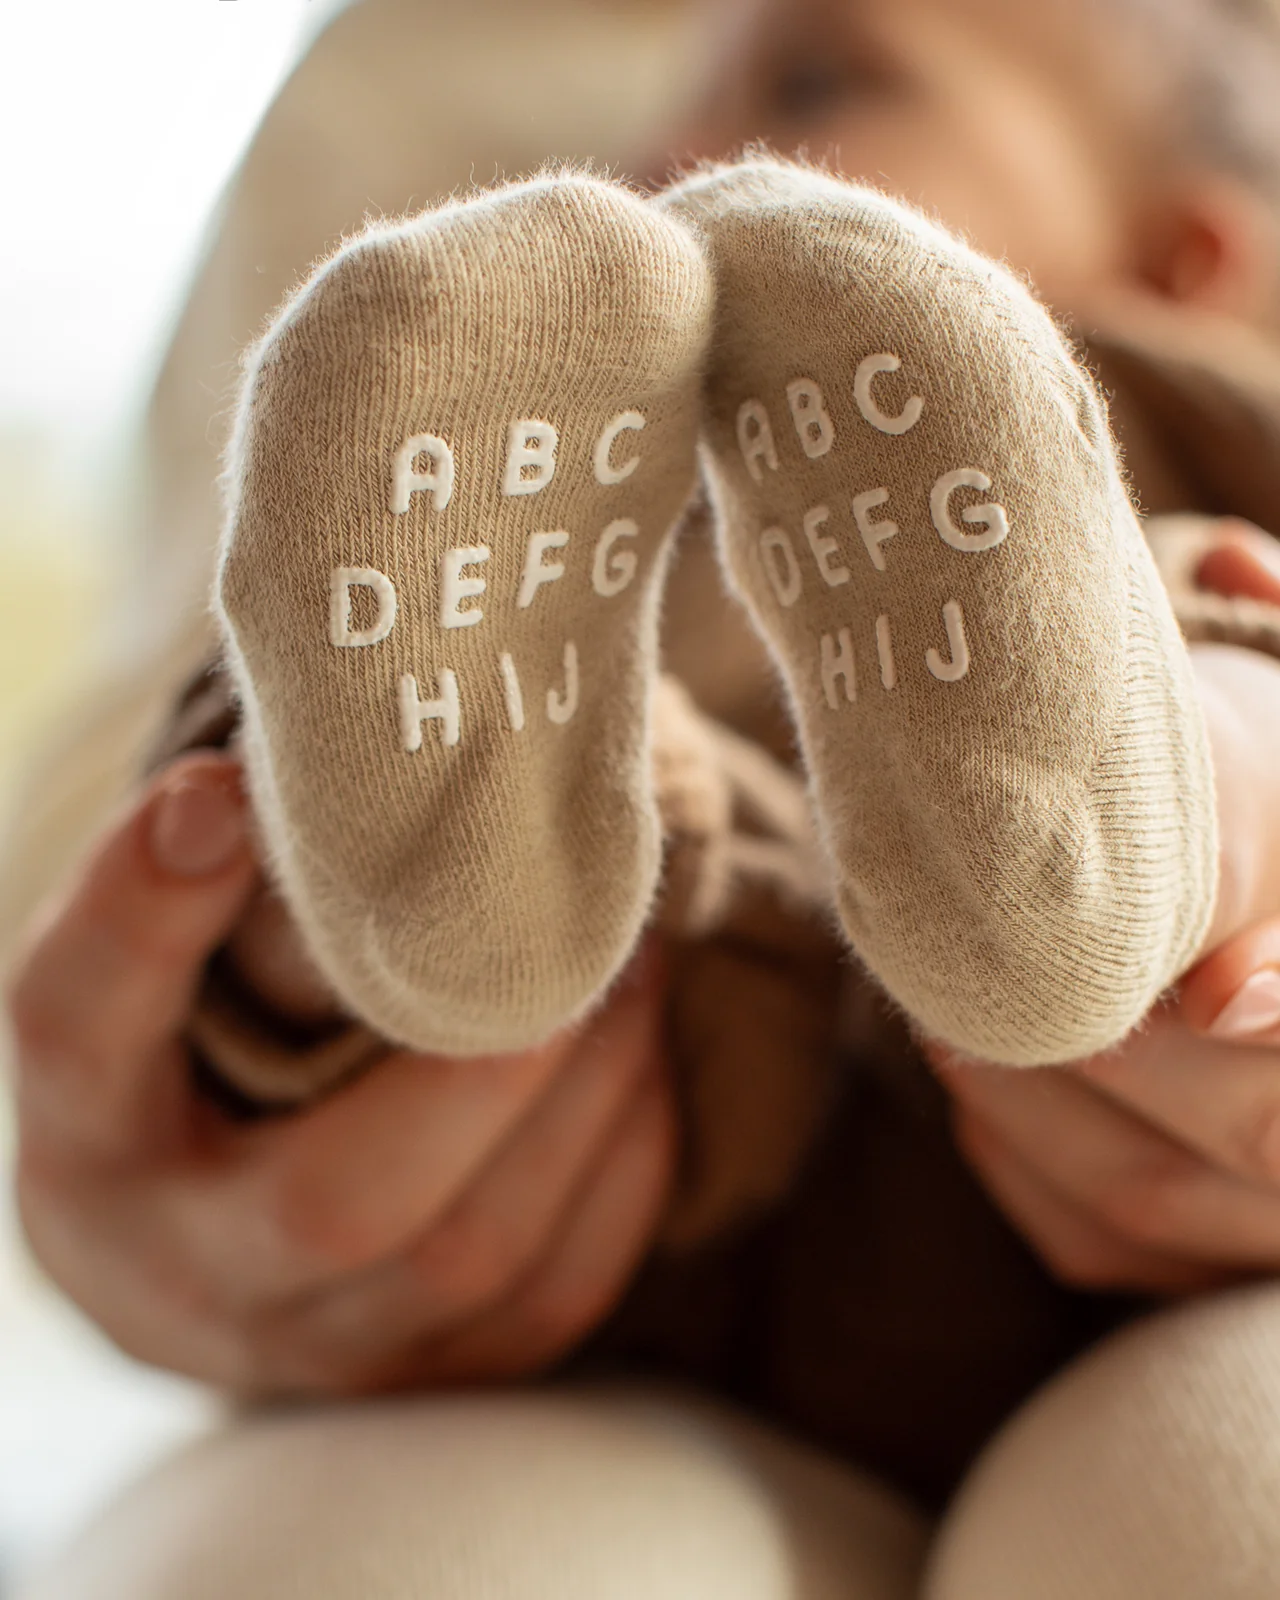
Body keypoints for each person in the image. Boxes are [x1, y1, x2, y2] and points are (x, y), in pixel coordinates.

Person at [11, 1, 1280, 1595]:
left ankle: (1120, 830)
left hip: (1155, 1121)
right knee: (371, 751)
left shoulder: (1182, 398)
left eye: (816, 82)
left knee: (1211, 639)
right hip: (654, 1149)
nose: (669, 161)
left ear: (1177, 259)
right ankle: (411, 916)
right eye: (646, 133)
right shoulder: (596, 480)